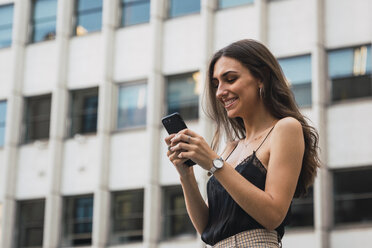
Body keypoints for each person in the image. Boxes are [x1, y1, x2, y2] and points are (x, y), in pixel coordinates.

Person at [164, 39, 320, 248]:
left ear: (261, 78)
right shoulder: (231, 148)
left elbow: (273, 215)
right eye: (216, 84)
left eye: (230, 79)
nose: (220, 91)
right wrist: (186, 175)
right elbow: (207, 227)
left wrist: (213, 162)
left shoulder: (285, 128)